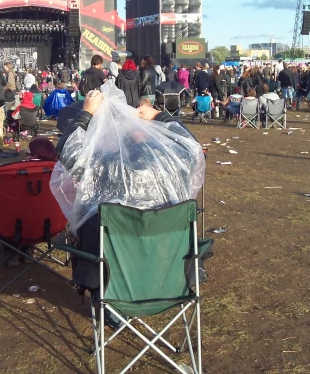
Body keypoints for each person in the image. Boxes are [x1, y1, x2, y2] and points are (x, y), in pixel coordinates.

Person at [54, 88, 203, 296]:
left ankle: (109, 303)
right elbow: (192, 147)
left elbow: (68, 152)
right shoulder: (175, 162)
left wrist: (86, 113)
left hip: (114, 282)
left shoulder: (105, 165)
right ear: (157, 137)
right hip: (168, 272)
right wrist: (159, 116)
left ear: (121, 140)